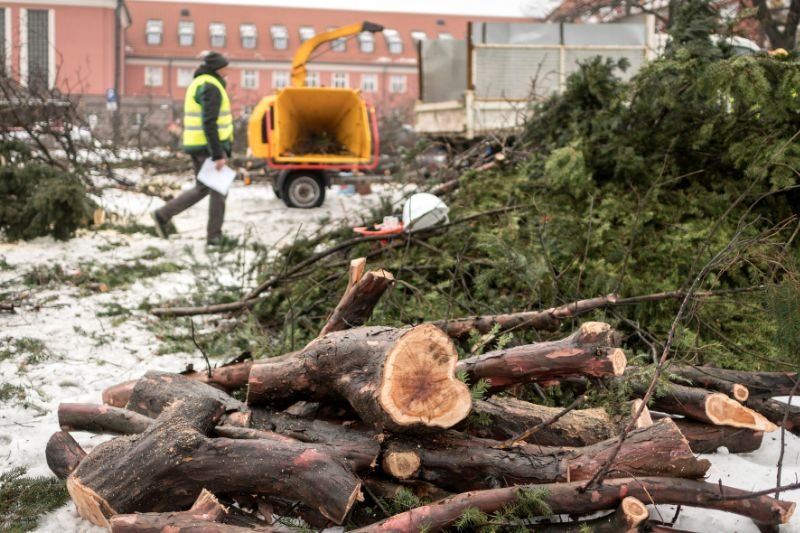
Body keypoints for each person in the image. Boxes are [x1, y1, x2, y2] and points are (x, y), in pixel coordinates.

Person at [151, 51, 233, 246]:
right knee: (218, 191)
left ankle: (162, 215)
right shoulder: (211, 86)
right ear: (217, 69)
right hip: (208, 148)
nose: (228, 72)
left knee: (203, 188)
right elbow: (209, 122)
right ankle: (214, 237)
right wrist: (217, 154)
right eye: (225, 68)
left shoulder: (198, 83)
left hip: (197, 145)